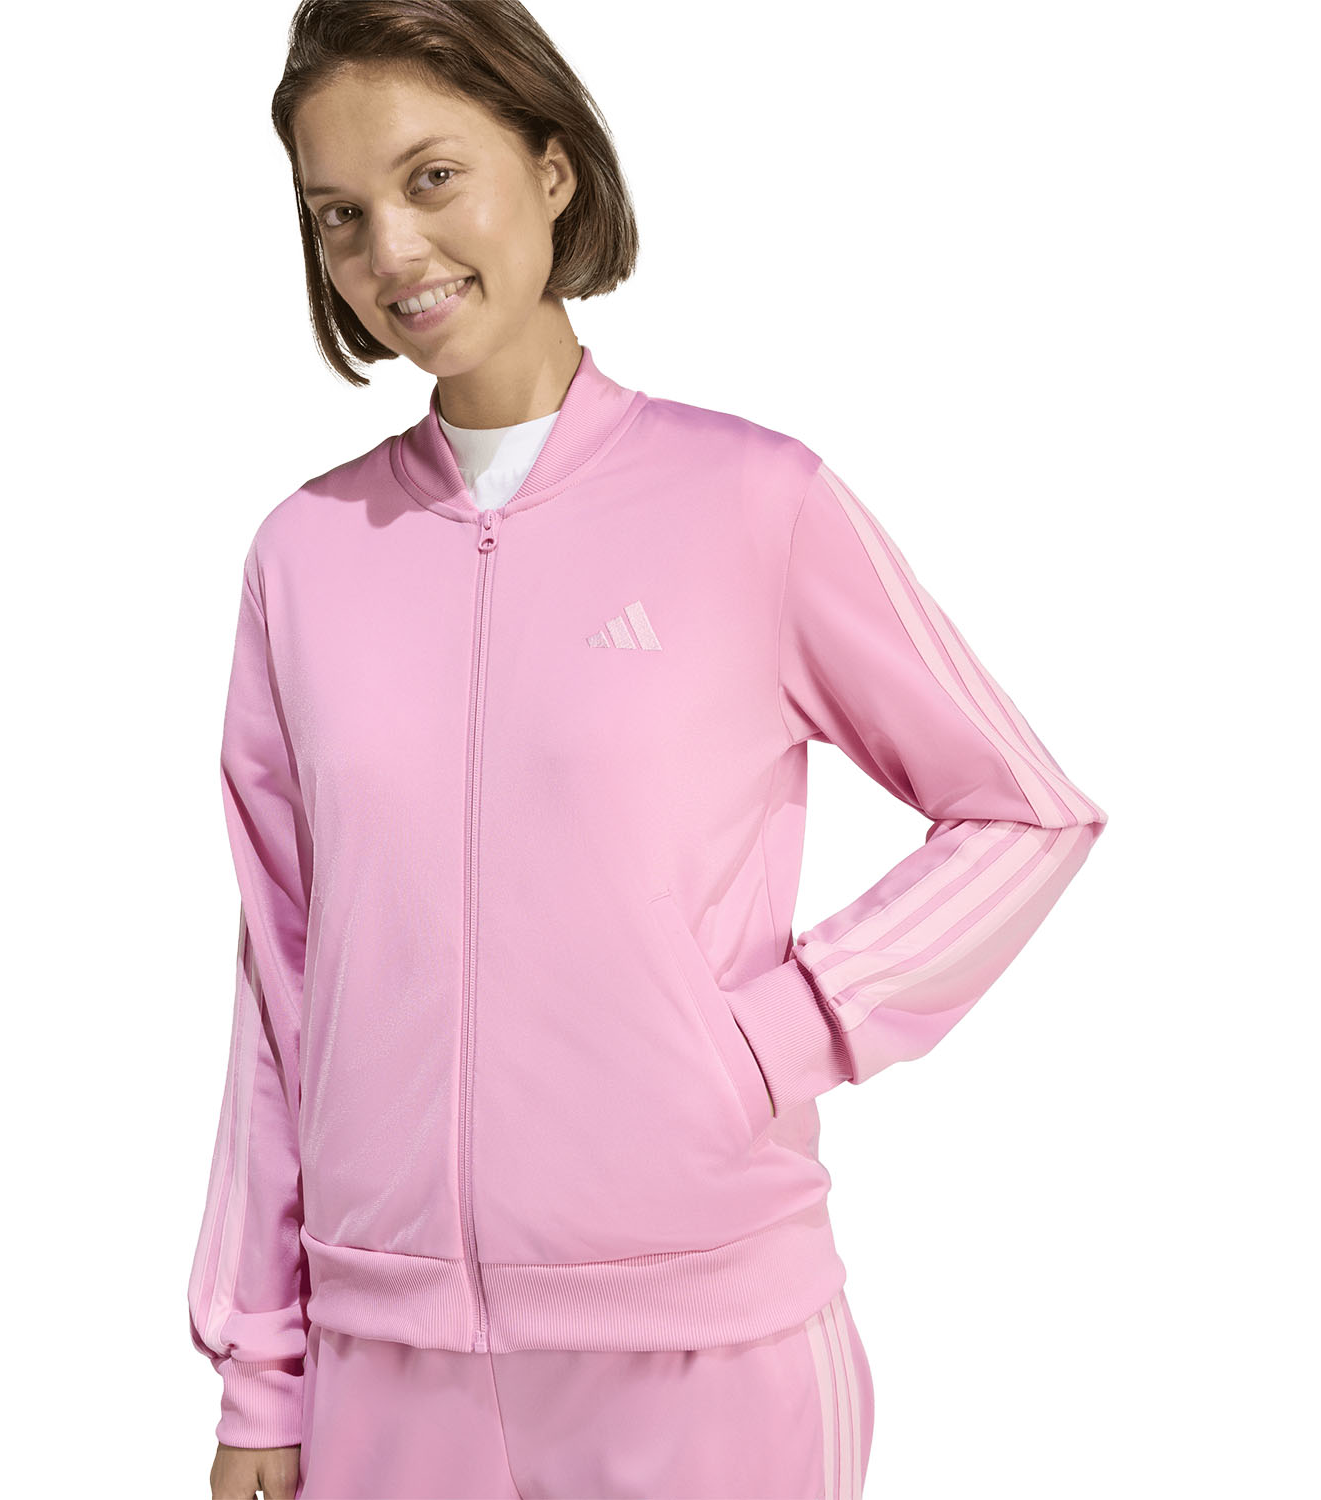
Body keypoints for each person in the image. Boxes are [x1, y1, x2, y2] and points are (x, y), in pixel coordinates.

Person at [186, 3, 1110, 1497]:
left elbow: (1023, 812)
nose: (392, 251)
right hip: (389, 1360)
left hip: (706, 1349)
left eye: (433, 178)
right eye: (339, 214)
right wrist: (263, 1374)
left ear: (552, 170)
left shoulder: (752, 503)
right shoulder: (305, 554)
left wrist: (776, 1036)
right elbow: (283, 981)